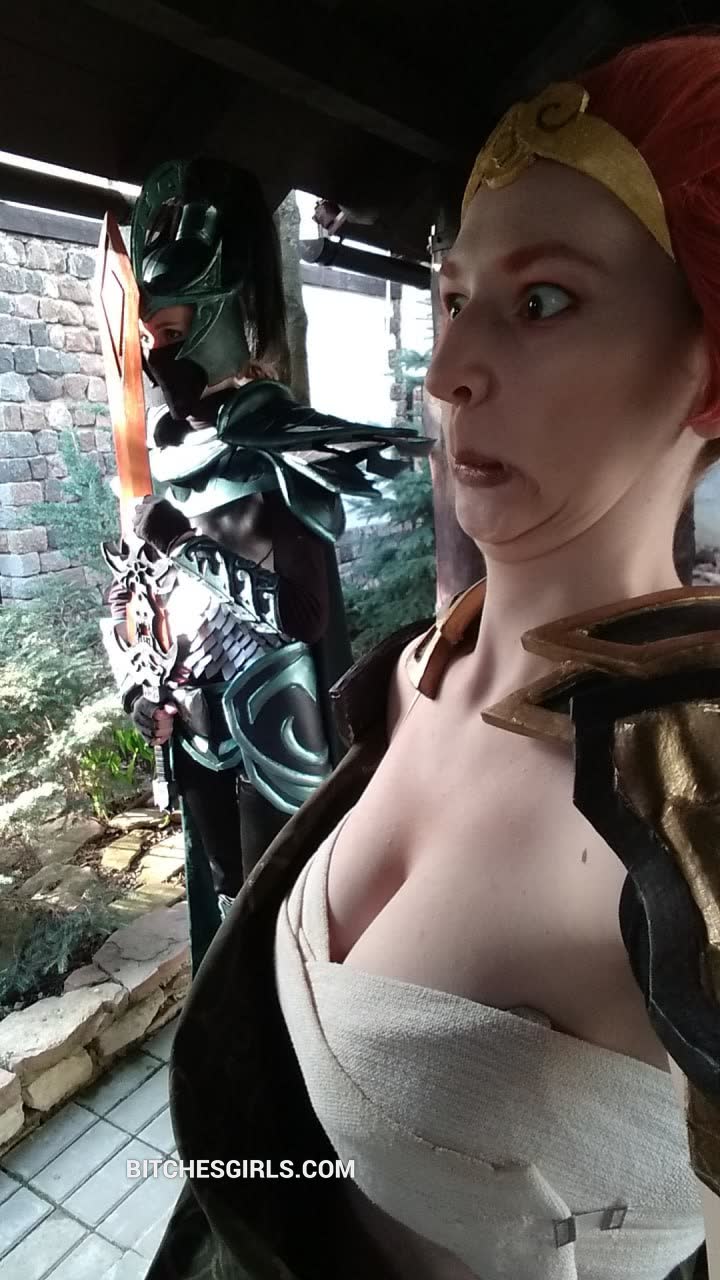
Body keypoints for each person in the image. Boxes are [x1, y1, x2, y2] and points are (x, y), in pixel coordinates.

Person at [144, 33, 720, 1280]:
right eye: (456, 298)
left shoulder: (696, 798)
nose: (450, 373)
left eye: (543, 300)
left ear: (706, 359)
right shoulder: (413, 666)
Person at [104, 157, 423, 970]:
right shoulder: (164, 449)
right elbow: (135, 597)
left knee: (291, 927)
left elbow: (303, 616)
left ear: (217, 317)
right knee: (225, 918)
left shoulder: (273, 441)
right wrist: (139, 687)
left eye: (172, 334)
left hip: (281, 734)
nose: (158, 356)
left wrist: (184, 544)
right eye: (150, 339)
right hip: (195, 729)